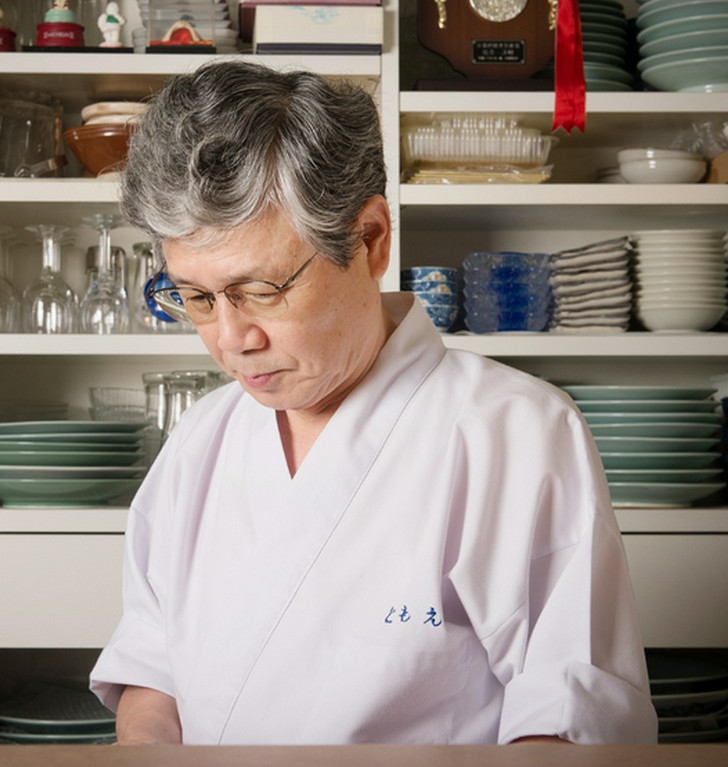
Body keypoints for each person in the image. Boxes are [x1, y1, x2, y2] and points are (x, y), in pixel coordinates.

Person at [89, 59, 658, 746]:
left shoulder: (516, 434)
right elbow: (154, 671)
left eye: (262, 289)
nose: (232, 339)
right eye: (197, 298)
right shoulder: (201, 440)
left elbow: (572, 716)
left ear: (370, 239)